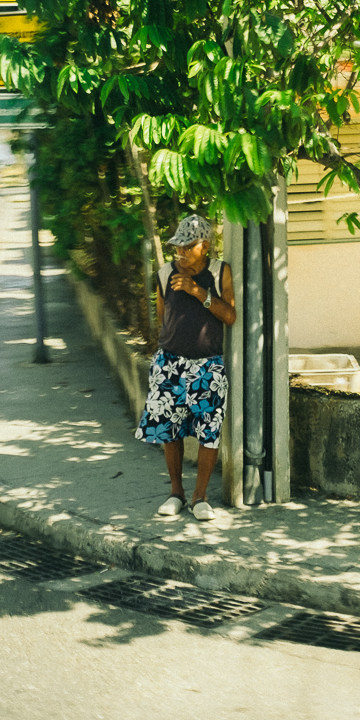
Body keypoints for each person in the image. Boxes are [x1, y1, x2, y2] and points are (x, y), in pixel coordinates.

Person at [136, 214, 236, 521]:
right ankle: (176, 493)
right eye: (177, 247)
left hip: (208, 365)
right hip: (170, 364)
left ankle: (200, 497)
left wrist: (197, 292)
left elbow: (230, 316)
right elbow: (162, 317)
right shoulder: (165, 273)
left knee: (209, 431)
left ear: (204, 246)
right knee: (169, 429)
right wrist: (162, 358)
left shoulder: (219, 272)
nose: (180, 253)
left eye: (187, 246)